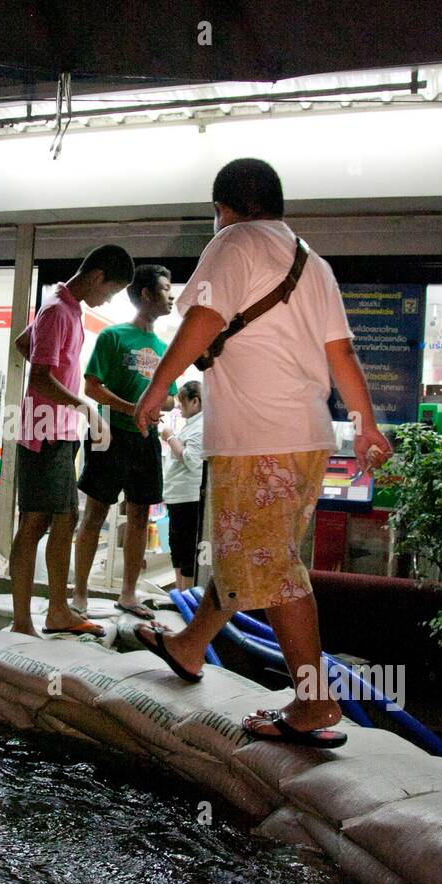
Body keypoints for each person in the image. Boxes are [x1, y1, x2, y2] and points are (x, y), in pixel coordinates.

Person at [132, 158, 392, 748]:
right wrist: (366, 423)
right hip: (304, 439)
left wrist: (157, 388)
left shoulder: (233, 243)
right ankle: (191, 645)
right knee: (248, 550)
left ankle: (313, 701)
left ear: (221, 208)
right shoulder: (313, 262)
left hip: (258, 439)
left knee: (271, 565)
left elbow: (202, 321)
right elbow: (342, 353)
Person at [9, 245, 135, 637]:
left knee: (65, 518)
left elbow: (22, 344)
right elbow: (40, 379)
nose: (106, 300)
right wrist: (86, 408)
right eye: (110, 292)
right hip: (43, 433)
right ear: (97, 276)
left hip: (60, 432)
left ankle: (58, 609)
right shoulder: (57, 312)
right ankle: (22, 620)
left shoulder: (67, 308)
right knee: (35, 522)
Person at [72, 264, 177, 621]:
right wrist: (134, 408)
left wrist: (154, 405)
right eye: (165, 289)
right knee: (95, 513)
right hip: (109, 435)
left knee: (139, 514)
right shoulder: (113, 337)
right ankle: (80, 594)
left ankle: (129, 594)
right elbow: (92, 387)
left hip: (145, 439)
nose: (171, 295)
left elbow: (171, 398)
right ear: (146, 294)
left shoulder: (164, 347)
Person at [161, 380, 206, 592]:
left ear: (195, 401)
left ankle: (186, 598)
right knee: (176, 549)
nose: (178, 407)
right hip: (177, 497)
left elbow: (192, 459)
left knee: (187, 551)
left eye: (182, 402)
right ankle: (179, 596)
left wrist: (170, 438)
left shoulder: (202, 426)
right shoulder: (192, 424)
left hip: (189, 498)